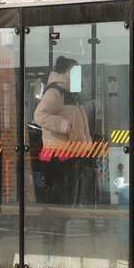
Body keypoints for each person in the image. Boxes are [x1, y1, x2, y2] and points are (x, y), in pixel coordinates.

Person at [33, 56, 91, 204]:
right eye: (75, 72)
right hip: (59, 153)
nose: (79, 75)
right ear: (66, 72)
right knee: (62, 196)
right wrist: (63, 125)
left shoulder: (68, 93)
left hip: (67, 152)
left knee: (66, 195)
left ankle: (59, 223)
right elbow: (39, 115)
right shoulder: (56, 92)